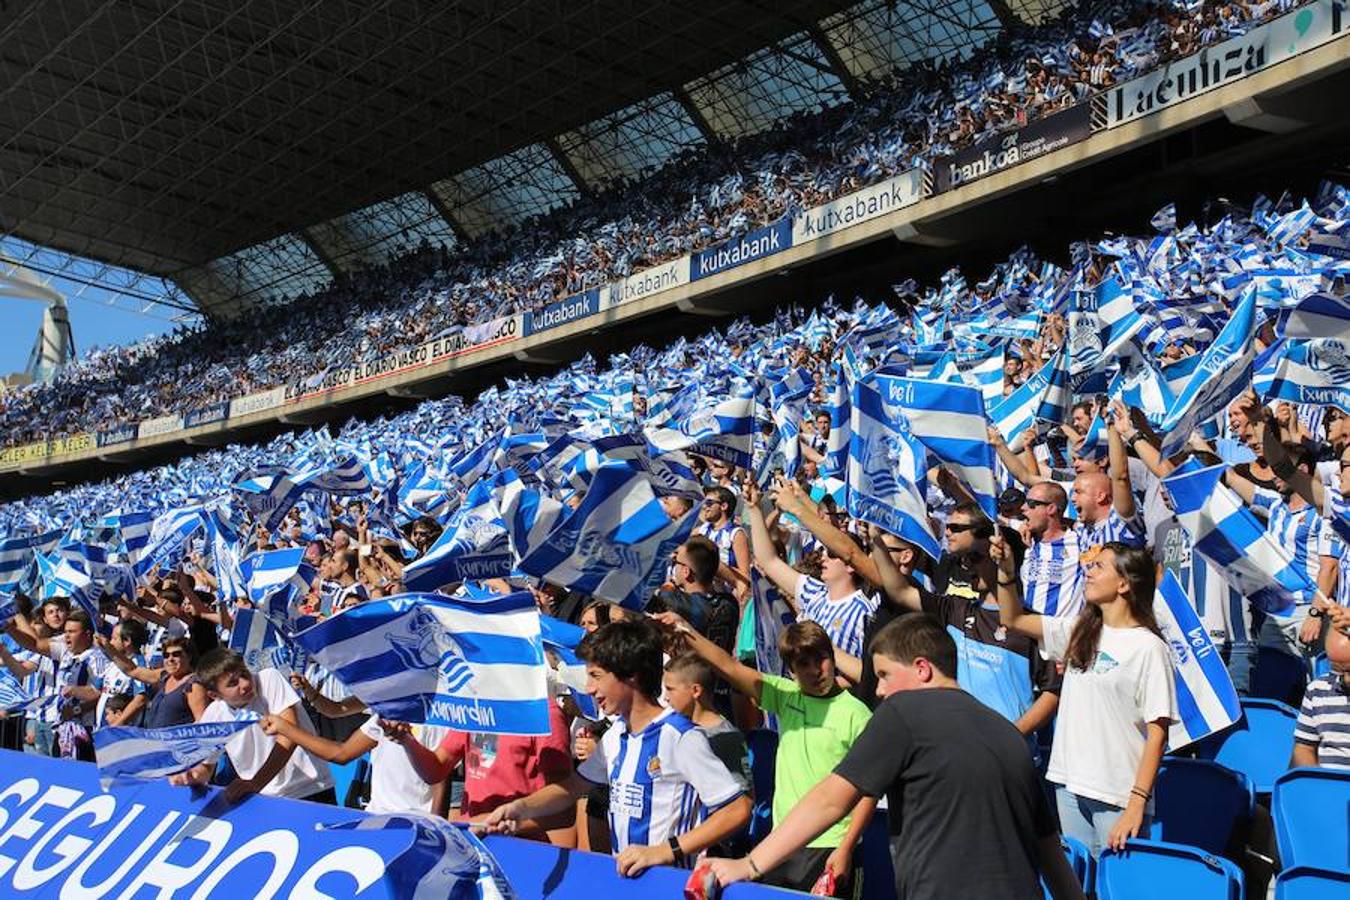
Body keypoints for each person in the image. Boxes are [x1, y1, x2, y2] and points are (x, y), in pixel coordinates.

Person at [705, 613, 1084, 900]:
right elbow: (1049, 849)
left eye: (885, 675)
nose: (881, 691)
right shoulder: (1010, 734)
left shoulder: (903, 713)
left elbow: (830, 799)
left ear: (922, 669)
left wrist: (749, 864)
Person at [482, 618, 751, 877]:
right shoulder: (617, 735)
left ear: (630, 676)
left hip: (668, 885)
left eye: (596, 676)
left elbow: (737, 809)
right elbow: (573, 788)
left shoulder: (680, 737)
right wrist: (520, 808)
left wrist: (665, 851)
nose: (588, 688)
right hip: (629, 882)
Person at [655, 611, 873, 895]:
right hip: (782, 841)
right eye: (802, 664)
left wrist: (846, 848)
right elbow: (728, 666)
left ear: (833, 658)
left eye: (821, 659)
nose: (815, 671)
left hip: (832, 845)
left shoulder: (857, 714)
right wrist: (685, 630)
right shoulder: (785, 696)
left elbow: (869, 790)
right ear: (791, 672)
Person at [992, 537, 1176, 856]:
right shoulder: (1081, 631)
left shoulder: (1150, 648)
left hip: (1116, 794)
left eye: (1099, 566)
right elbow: (1013, 620)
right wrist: (1007, 572)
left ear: (1124, 584)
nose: (1088, 572)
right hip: (1069, 784)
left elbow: (1158, 735)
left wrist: (1136, 803)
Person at [384, 697, 574, 843]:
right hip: (471, 846)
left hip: (521, 852)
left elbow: (563, 810)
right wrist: (407, 741)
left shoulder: (544, 713)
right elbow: (435, 770)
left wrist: (492, 822)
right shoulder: (475, 706)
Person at [169, 649, 336, 804]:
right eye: (233, 683)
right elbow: (206, 767)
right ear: (215, 695)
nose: (245, 684)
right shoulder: (214, 714)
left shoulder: (268, 678)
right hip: (262, 799)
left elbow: (289, 735)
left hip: (311, 790)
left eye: (244, 673)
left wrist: (256, 783)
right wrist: (192, 775)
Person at [745, 481, 877, 660]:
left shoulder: (864, 612)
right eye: (823, 551)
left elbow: (867, 675)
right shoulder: (814, 592)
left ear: (850, 565)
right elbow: (769, 561)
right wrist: (754, 508)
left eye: (831, 553)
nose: (823, 557)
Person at [261, 710, 447, 814]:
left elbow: (440, 778)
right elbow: (341, 753)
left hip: (418, 822)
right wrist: (284, 728)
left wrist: (437, 829)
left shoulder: (439, 719)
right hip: (376, 818)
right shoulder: (382, 716)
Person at [98, 634, 209, 727]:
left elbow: (201, 724)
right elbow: (132, 670)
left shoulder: (194, 684)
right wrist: (108, 647)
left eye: (176, 654)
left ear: (189, 656)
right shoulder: (164, 676)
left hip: (177, 749)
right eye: (166, 655)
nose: (170, 659)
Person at [1291, 609, 1350, 770]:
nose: (1345, 678)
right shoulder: (1318, 689)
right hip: (1327, 787)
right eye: (1338, 670)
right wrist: (1315, 784)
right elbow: (1304, 748)